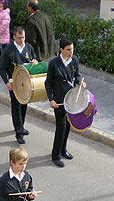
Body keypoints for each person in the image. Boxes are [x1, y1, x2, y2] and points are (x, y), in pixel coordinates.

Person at [45, 38, 86, 168]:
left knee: (68, 126)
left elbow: (77, 75)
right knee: (61, 127)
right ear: (61, 49)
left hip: (71, 99)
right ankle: (55, 154)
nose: (71, 52)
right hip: (59, 101)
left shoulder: (74, 60)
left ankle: (63, 150)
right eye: (68, 49)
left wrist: (80, 81)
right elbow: (48, 83)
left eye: (72, 49)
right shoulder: (54, 64)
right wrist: (51, 99)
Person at [0, 26, 38, 144]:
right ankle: (19, 133)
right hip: (14, 83)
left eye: (23, 37)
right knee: (16, 106)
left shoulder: (28, 47)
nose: (22, 40)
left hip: (26, 83)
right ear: (14, 37)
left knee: (24, 104)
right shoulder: (8, 50)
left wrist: (34, 61)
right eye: (19, 38)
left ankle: (21, 126)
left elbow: (34, 58)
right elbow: (2, 68)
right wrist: (6, 82)